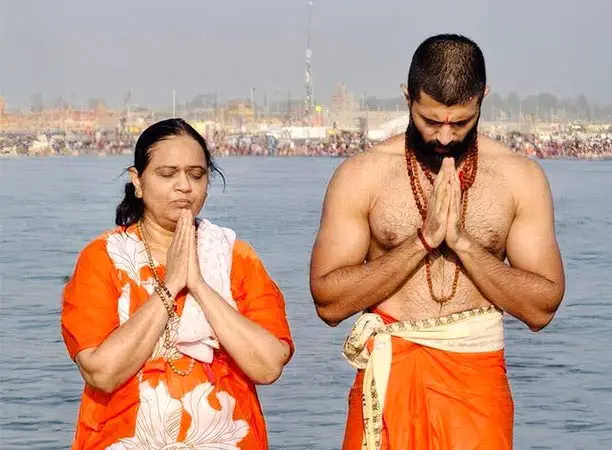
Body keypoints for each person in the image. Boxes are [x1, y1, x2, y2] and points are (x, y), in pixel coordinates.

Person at [309, 34, 565, 449]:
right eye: (430, 121)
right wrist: (421, 242)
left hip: (476, 380)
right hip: (390, 372)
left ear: (483, 98)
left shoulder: (520, 178)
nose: (445, 136)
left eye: (460, 122)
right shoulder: (363, 175)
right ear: (407, 97)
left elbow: (542, 309)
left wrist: (463, 243)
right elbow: (328, 302)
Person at [61, 118, 294, 450]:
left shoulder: (234, 257)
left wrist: (198, 284)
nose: (184, 186)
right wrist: (170, 286)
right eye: (167, 174)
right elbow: (102, 372)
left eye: (196, 175)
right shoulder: (103, 258)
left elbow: (269, 366)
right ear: (137, 181)